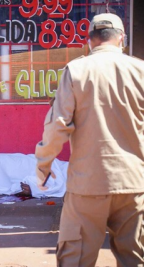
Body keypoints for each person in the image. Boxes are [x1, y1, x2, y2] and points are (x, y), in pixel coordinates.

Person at [35, 13, 144, 267]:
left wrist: (43, 166)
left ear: (89, 41)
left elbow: (56, 127)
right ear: (122, 39)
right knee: (135, 259)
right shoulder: (140, 71)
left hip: (87, 185)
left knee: (76, 259)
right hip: (133, 184)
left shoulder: (76, 70)